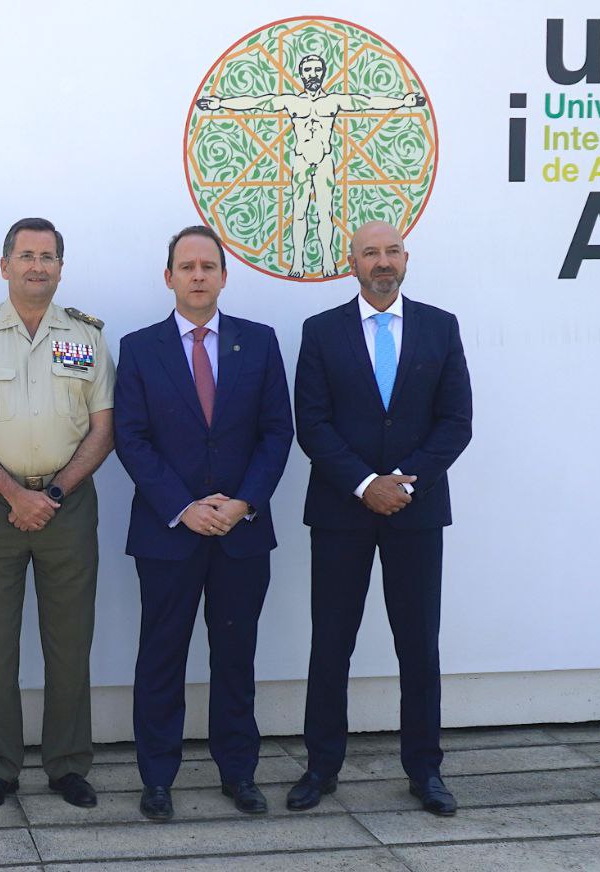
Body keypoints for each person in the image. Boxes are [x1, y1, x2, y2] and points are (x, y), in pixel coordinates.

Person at [0, 217, 115, 811]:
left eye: (49, 256)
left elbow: (104, 428)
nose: (38, 266)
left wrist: (53, 493)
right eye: (26, 255)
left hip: (68, 501)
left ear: (62, 266)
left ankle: (66, 765)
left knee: (70, 639)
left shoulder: (85, 336)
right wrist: (14, 494)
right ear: (4, 264)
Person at [290, 220, 472, 815]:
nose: (383, 261)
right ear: (352, 263)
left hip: (416, 513)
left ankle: (425, 770)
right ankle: (320, 768)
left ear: (407, 257)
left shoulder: (441, 327)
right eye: (371, 253)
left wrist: (404, 484)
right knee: (331, 644)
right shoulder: (321, 332)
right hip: (343, 511)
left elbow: (456, 422)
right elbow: (311, 423)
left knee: (418, 646)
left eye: (392, 251)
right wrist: (367, 484)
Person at [114, 226, 293, 822]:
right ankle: (157, 778)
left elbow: (277, 433)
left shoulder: (260, 343)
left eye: (208, 266)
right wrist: (183, 507)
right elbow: (131, 439)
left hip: (242, 532)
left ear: (223, 275)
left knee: (235, 655)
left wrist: (243, 503)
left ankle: (239, 773)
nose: (197, 275)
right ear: (168, 277)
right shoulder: (139, 348)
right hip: (169, 532)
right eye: (186, 266)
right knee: (161, 656)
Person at [196, 55, 425, 278]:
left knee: (325, 213)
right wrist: (220, 103)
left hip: (324, 160)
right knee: (299, 213)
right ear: (301, 74)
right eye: (308, 70)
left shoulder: (333, 101)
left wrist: (404, 102)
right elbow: (257, 103)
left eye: (317, 70)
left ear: (323, 73)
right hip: (301, 160)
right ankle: (297, 261)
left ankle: (327, 259)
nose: (312, 74)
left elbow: (367, 102)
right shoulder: (292, 101)